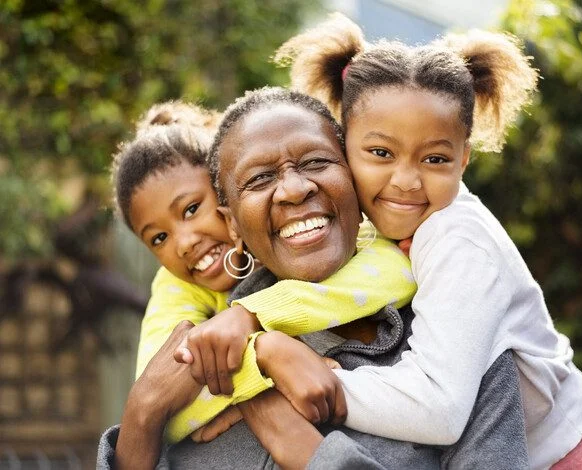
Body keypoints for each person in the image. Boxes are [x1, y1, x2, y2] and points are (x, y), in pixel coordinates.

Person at [97, 86, 529, 469]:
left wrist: (306, 450)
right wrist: (144, 411)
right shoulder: (206, 364)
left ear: (356, 181)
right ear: (232, 224)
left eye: (317, 162)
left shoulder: (458, 348)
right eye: (260, 178)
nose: (293, 189)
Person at [273, 13, 582, 469]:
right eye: (381, 153)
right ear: (343, 144)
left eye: (435, 158)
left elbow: (440, 409)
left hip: (578, 459)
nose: (405, 181)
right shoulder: (371, 229)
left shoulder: (457, 240)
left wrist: (331, 383)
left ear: (464, 159)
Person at [110, 100, 417, 442]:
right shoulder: (176, 286)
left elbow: (398, 270)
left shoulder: (335, 230)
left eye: (192, 208)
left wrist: (252, 317)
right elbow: (159, 391)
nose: (183, 243)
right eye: (159, 237)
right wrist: (263, 364)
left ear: (228, 192)